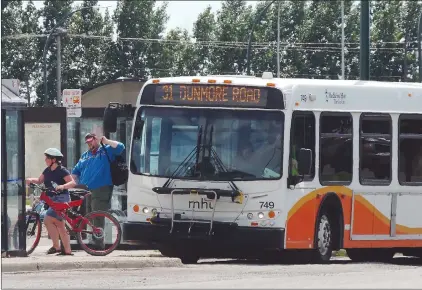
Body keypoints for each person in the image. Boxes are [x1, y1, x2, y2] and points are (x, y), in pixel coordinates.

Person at [71, 133, 125, 247]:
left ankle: (98, 243)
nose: (90, 144)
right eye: (88, 142)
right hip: (87, 190)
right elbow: (75, 171)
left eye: (91, 141)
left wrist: (106, 141)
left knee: (97, 214)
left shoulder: (106, 150)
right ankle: (91, 239)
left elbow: (120, 147)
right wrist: (71, 184)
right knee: (89, 215)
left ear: (96, 139)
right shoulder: (85, 155)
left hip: (101, 188)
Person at [25, 148, 76, 255]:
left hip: (62, 199)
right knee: (59, 223)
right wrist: (30, 180)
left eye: (47, 158)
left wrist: (62, 186)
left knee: (48, 219)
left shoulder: (62, 170)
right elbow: (39, 180)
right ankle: (66, 250)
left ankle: (57, 246)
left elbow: (72, 183)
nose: (45, 160)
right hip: (52, 200)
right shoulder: (47, 170)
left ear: (54, 159)